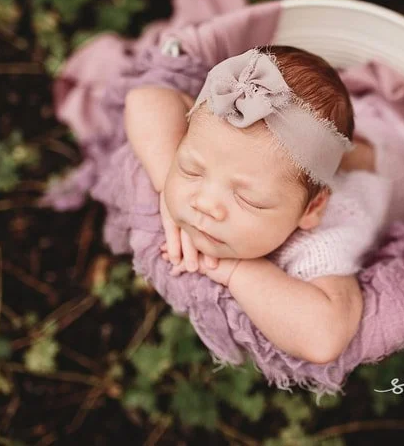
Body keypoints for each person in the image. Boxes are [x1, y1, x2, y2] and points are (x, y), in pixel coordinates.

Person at [123, 45, 389, 364]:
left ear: (311, 210)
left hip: (384, 165)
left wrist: (237, 270)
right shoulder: (219, 127)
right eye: (192, 169)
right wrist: (168, 177)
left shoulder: (322, 243)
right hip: (330, 157)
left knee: (375, 154)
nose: (205, 203)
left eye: (247, 199)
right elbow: (144, 100)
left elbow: (325, 338)